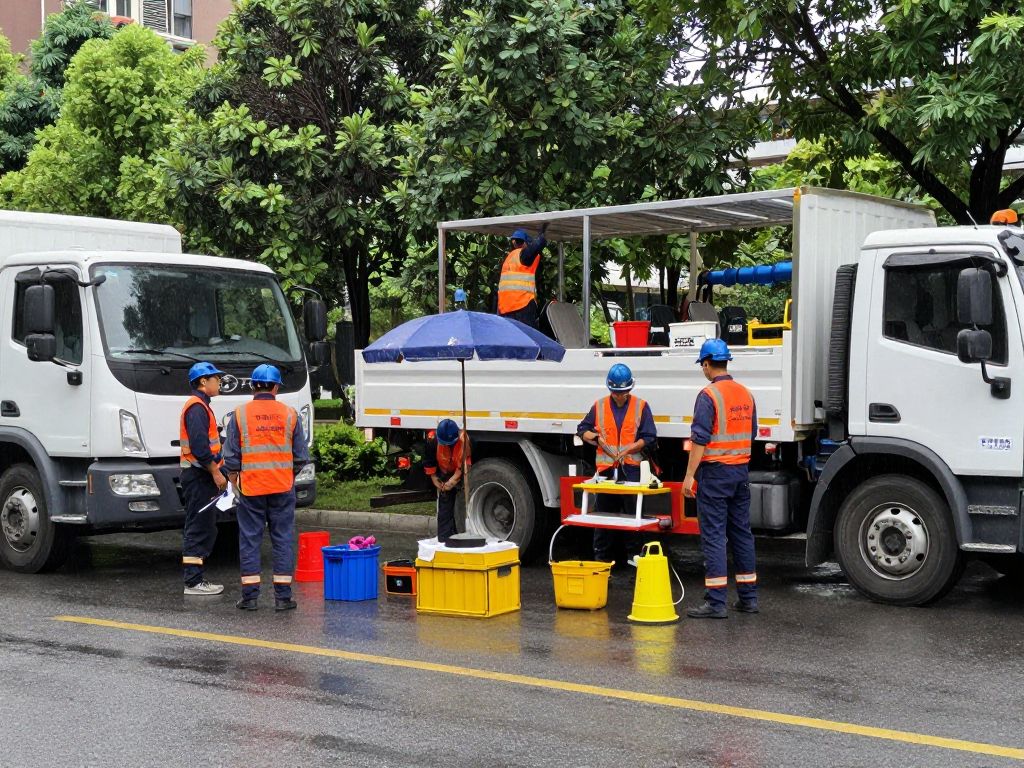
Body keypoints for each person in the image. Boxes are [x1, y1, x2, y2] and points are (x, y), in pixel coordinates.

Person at [222, 364, 310, 611]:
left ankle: (250, 598)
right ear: (276, 387)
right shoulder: (290, 414)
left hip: (251, 488)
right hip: (282, 486)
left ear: (253, 386)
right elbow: (301, 456)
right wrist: (286, 473)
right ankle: (283, 598)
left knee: (250, 540)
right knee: (282, 540)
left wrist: (234, 477)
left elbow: (231, 457)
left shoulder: (239, 415)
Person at [683, 339, 758, 619]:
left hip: (715, 474)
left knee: (714, 536)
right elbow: (751, 434)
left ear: (706, 364)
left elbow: (699, 439)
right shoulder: (745, 394)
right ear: (726, 362)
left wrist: (690, 476)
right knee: (741, 534)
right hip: (740, 472)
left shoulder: (708, 396)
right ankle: (748, 598)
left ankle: (716, 603)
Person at [576, 363, 658, 562]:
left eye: (623, 392)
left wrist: (630, 448)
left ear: (629, 389)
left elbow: (649, 437)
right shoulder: (600, 406)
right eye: (616, 393)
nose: (620, 396)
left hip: (631, 470)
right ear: (610, 389)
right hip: (606, 471)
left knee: (633, 516)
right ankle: (601, 560)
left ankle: (634, 558)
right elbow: (582, 429)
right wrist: (596, 438)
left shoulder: (641, 406)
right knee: (603, 517)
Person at [180, 361, 228, 596]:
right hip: (199, 476)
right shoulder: (197, 407)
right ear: (202, 382)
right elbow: (200, 447)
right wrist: (216, 471)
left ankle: (195, 579)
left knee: (203, 527)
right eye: (215, 378)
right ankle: (193, 581)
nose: (219, 382)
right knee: (199, 528)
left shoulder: (201, 406)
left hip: (200, 475)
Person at [423, 418, 471, 543]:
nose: (447, 445)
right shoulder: (432, 439)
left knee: (460, 506)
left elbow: (465, 464)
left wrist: (453, 481)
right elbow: (429, 460)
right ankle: (444, 540)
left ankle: (459, 535)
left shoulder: (464, 441)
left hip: (457, 473)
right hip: (443, 473)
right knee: (445, 506)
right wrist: (434, 478)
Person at [496, 225, 547, 328]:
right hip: (522, 304)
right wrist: (542, 235)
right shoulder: (524, 255)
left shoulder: (509, 257)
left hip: (505, 307)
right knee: (527, 338)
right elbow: (538, 245)